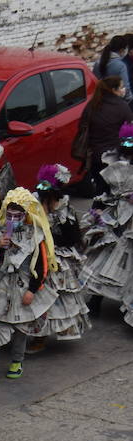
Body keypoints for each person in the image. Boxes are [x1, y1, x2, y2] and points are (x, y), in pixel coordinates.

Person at [0, 188, 53, 381]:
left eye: (17, 216)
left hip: (23, 287)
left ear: (26, 215)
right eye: (9, 215)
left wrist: (32, 291)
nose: (12, 219)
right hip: (1, 286)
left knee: (20, 330)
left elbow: (42, 266)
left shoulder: (35, 236)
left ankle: (17, 361)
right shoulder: (0, 233)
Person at [82, 124, 133, 325]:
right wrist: (97, 211)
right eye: (126, 143)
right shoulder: (110, 163)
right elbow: (101, 193)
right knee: (104, 256)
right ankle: (95, 301)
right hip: (115, 217)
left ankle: (123, 306)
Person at [32, 164, 89, 341]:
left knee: (52, 296)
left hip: (57, 257)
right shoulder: (33, 201)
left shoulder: (64, 210)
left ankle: (41, 337)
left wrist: (50, 240)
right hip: (36, 252)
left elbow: (72, 238)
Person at [83, 76, 133, 195]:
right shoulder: (122, 107)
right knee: (120, 195)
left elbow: (83, 130)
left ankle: (97, 213)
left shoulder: (91, 106)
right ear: (113, 90)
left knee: (101, 193)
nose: (124, 89)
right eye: (121, 87)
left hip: (96, 160)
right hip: (116, 160)